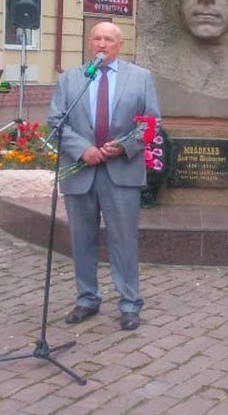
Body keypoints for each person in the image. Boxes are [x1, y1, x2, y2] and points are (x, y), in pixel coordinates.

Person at [49, 21, 160, 331]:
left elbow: (151, 124)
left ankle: (129, 303)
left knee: (123, 239)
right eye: (96, 38)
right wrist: (83, 149)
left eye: (108, 39)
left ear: (119, 45)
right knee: (81, 238)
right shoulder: (70, 79)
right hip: (80, 170)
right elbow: (57, 121)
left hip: (120, 171)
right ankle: (87, 298)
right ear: (89, 42)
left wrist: (124, 146)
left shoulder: (140, 78)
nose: (102, 44)